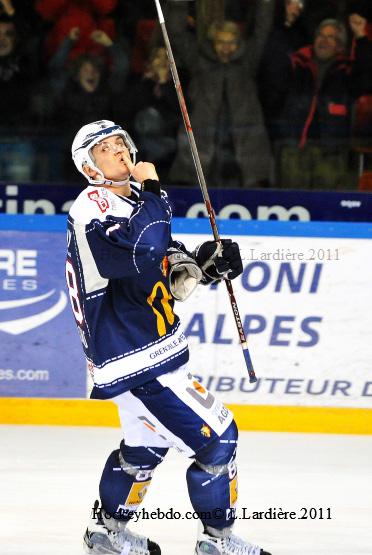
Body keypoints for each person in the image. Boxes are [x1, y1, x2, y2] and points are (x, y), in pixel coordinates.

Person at [66, 120, 272, 555]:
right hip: (136, 359)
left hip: (143, 353)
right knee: (219, 440)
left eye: (121, 142)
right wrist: (157, 188)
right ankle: (217, 541)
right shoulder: (93, 205)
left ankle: (106, 533)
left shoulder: (135, 206)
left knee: (145, 446)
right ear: (89, 167)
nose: (119, 151)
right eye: (105, 149)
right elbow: (139, 251)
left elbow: (169, 273)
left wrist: (207, 265)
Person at [166, 0, 275, 188]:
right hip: (205, 142)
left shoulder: (248, 62)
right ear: (212, 43)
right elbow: (177, 34)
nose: (227, 48)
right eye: (221, 42)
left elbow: (262, 29)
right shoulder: (199, 62)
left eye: (232, 42)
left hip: (243, 144)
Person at [266, 17, 372, 189]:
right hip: (294, 150)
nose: (324, 40)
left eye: (331, 37)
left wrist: (360, 36)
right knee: (293, 206)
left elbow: (366, 79)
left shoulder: (346, 71)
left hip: (331, 154)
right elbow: (273, 81)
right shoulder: (296, 64)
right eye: (321, 36)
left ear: (340, 45)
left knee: (325, 207)